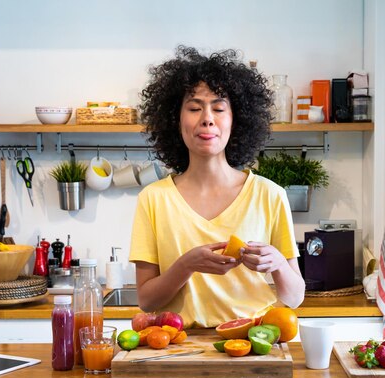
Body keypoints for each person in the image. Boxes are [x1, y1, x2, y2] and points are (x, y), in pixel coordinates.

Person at [130, 46, 305, 328]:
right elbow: (147, 301)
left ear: (236, 121)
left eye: (219, 108)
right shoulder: (153, 199)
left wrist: (279, 264)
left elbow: (295, 297)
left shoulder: (270, 195)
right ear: (176, 120)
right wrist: (185, 266)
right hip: (179, 348)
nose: (207, 118)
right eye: (194, 108)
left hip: (255, 346)